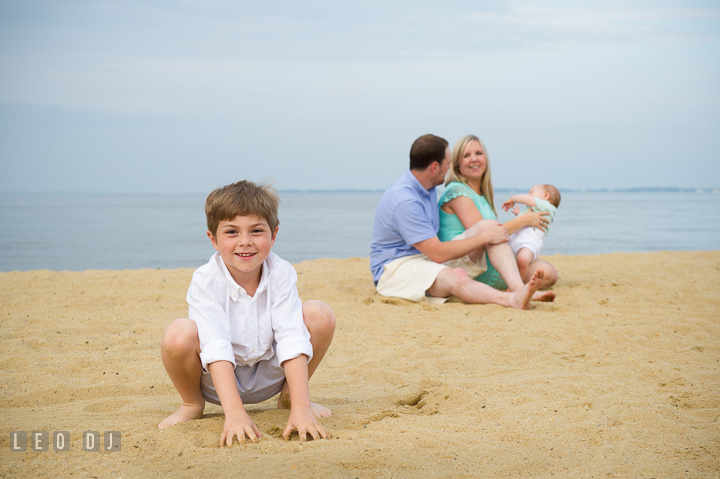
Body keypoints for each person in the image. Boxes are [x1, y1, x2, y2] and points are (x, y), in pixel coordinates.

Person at [157, 180, 336, 445]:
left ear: (273, 235)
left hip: (269, 374)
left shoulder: (281, 272)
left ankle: (290, 398)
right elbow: (215, 346)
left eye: (256, 231)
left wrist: (302, 409)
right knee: (178, 333)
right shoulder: (205, 280)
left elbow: (291, 336)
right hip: (216, 384)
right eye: (231, 232)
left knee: (320, 314)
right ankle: (191, 403)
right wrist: (235, 413)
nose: (245, 242)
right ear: (213, 239)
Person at [370, 134, 552, 309]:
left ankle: (518, 289)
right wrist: (487, 237)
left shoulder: (427, 187)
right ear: (434, 168)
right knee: (455, 276)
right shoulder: (405, 200)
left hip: (424, 258)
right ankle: (510, 300)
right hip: (394, 268)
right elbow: (438, 254)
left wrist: (489, 233)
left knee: (489, 226)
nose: (449, 168)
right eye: (447, 164)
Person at [438, 135, 558, 290]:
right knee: (541, 273)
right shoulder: (457, 191)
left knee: (550, 273)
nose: (474, 159)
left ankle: (514, 285)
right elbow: (486, 235)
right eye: (466, 155)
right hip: (467, 264)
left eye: (479, 153)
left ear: (485, 158)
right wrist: (525, 220)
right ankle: (515, 290)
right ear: (457, 165)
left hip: (491, 258)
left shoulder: (482, 193)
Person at [502, 184, 561, 281]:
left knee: (523, 260)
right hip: (517, 240)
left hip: (529, 243)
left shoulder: (547, 206)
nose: (528, 195)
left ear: (546, 196)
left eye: (531, 192)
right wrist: (519, 214)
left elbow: (527, 200)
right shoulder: (535, 209)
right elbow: (523, 221)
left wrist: (513, 199)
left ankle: (517, 285)